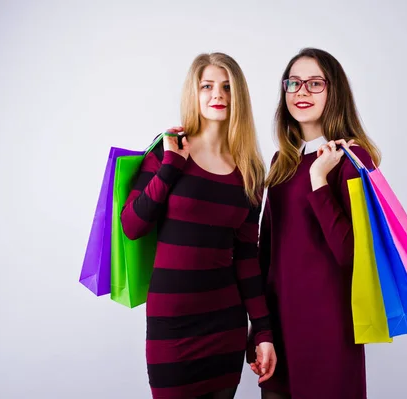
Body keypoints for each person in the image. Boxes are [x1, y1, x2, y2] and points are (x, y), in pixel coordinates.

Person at [120, 52, 277, 399]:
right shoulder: (167, 151)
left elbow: (247, 258)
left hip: (225, 324)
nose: (217, 95)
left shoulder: (250, 171)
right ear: (195, 93)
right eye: (207, 86)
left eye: (226, 87)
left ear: (239, 97)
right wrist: (171, 166)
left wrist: (263, 331)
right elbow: (132, 225)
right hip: (171, 325)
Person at [248, 48, 381, 399]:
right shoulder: (282, 161)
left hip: (328, 330)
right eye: (293, 83)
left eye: (314, 83)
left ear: (333, 91)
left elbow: (353, 255)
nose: (301, 91)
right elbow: (267, 251)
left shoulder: (353, 159)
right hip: (278, 329)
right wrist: (260, 330)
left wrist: (319, 180)